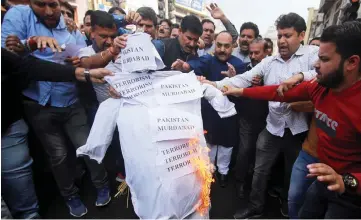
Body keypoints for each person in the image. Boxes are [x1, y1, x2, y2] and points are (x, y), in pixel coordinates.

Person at [221, 21, 361, 219]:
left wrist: (348, 181)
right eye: (280, 36)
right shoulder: (319, 87)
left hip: (349, 190)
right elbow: (278, 92)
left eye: (324, 59)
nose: (316, 65)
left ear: (352, 63)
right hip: (319, 171)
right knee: (298, 202)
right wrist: (241, 91)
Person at [200, 12, 319, 218]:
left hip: (299, 130)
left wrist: (301, 76)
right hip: (272, 127)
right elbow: (243, 80)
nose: (282, 40)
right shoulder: (269, 62)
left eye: (287, 35)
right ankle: (255, 206)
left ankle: (287, 206)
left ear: (301, 35)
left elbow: (325, 71)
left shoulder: (313, 54)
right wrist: (214, 84)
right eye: (280, 35)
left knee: (292, 174)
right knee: (259, 171)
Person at [1, 0, 110, 217]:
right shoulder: (18, 17)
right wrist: (29, 44)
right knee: (57, 156)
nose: (49, 11)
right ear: (30, 3)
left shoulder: (69, 28)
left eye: (53, 4)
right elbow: (7, 56)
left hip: (70, 99)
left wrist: (78, 62)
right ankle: (70, 196)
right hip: (38, 104)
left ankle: (102, 185)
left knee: (88, 145)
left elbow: (83, 58)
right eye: (41, 5)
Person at [172, 31, 246, 187]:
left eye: (226, 46)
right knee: (210, 144)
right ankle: (209, 171)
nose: (222, 49)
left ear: (233, 46)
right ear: (214, 44)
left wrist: (233, 79)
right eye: (219, 45)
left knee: (227, 145)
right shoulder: (207, 60)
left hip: (230, 116)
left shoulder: (239, 65)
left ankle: (224, 172)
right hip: (209, 114)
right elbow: (193, 66)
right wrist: (185, 66)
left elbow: (243, 89)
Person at [234, 37, 269, 198]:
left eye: (257, 53)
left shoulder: (272, 70)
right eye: (251, 53)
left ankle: (256, 187)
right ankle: (240, 183)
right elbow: (236, 92)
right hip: (247, 119)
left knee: (261, 157)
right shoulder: (242, 68)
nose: (253, 57)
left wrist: (262, 86)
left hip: (267, 121)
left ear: (267, 52)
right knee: (245, 151)